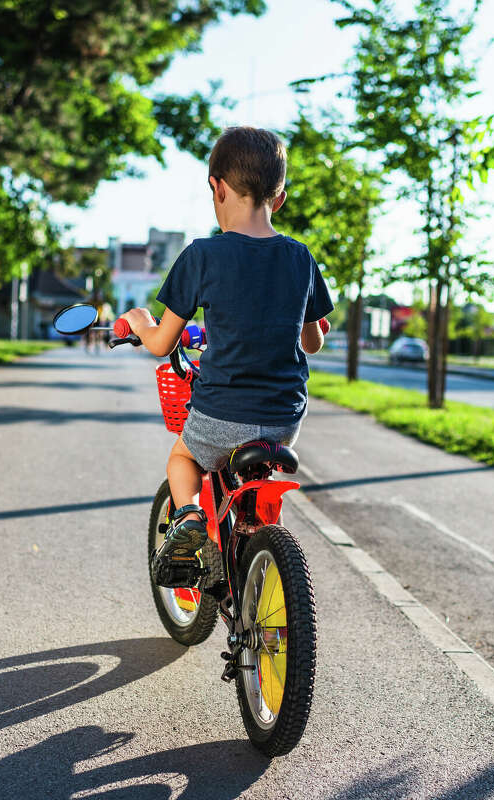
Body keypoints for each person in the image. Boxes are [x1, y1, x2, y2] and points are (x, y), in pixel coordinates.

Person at [118, 126, 333, 588]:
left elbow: (161, 344)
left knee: (183, 459)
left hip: (222, 416)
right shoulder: (301, 258)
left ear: (216, 187)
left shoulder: (202, 256)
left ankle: (191, 517)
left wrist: (138, 321)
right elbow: (312, 342)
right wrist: (315, 327)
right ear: (279, 198)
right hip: (283, 420)